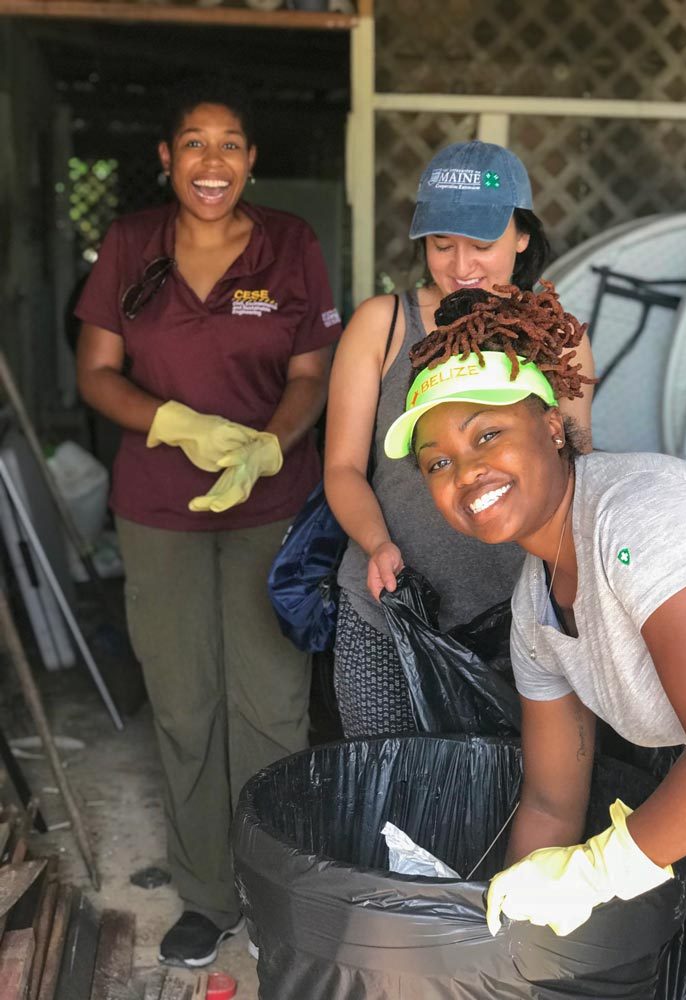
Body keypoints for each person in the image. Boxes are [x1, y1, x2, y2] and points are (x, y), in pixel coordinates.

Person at [384, 283, 686, 997]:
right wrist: (506, 946)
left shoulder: (637, 520)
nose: (466, 473)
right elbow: (553, 802)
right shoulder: (534, 612)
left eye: (487, 434)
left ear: (552, 425)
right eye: (437, 461)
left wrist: (591, 875)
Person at [75, 77, 341, 967]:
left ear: (252, 158)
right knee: (186, 706)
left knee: (269, 704)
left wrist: (268, 444)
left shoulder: (289, 245)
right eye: (194, 143)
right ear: (166, 158)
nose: (212, 162)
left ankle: (277, 891)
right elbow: (96, 373)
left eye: (230, 143)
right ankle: (207, 893)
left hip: (271, 503)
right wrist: (173, 422)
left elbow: (312, 375)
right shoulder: (127, 245)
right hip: (157, 509)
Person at [324, 141, 595, 737]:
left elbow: (579, 470)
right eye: (442, 245)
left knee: (521, 801)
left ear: (522, 237)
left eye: (483, 244)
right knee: (395, 804)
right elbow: (342, 468)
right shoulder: (384, 324)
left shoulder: (559, 339)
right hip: (389, 611)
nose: (462, 265)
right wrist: (375, 546)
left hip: (527, 620)